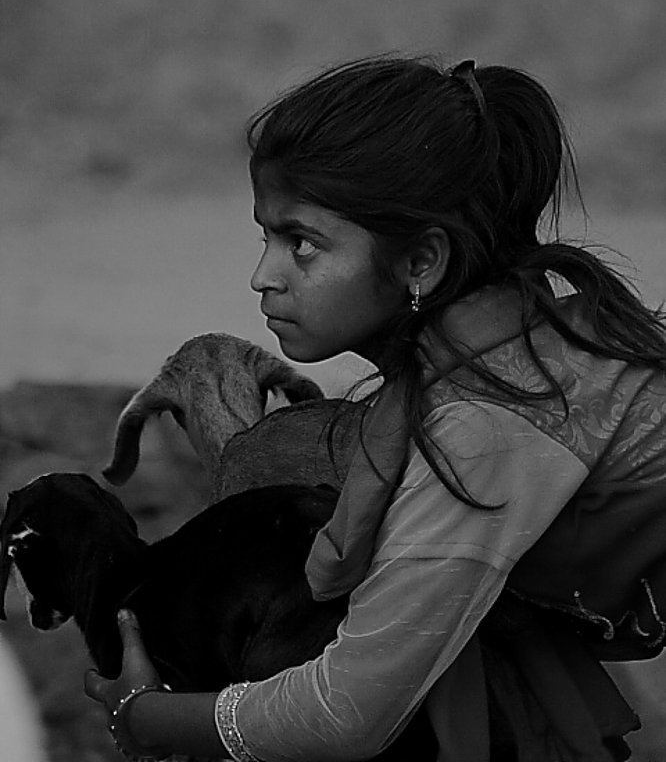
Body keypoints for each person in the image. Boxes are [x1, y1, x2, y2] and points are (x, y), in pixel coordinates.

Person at [85, 55, 666, 761]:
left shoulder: (487, 427)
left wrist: (144, 718)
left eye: (301, 243)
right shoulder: (498, 352)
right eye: (266, 237)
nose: (263, 276)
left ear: (421, 263)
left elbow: (346, 712)